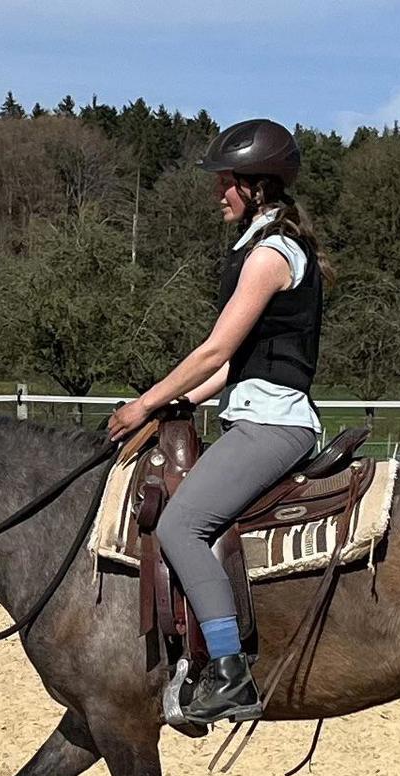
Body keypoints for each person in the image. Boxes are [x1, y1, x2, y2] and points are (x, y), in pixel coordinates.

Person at [106, 118, 332, 725]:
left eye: (227, 183)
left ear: (258, 185)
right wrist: (178, 404)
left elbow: (212, 351)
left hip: (275, 425)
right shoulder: (264, 248)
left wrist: (146, 403)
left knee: (181, 526)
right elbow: (230, 369)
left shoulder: (269, 257)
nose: (219, 194)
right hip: (257, 412)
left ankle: (229, 673)